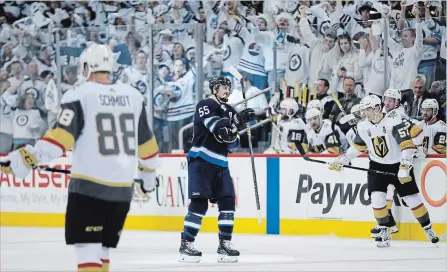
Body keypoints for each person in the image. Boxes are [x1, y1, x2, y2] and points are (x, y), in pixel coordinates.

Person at [0, 43, 160, 272]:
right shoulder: (133, 96)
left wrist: (22, 160)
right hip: (122, 191)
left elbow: (58, 142)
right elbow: (148, 148)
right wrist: (147, 180)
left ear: (87, 67)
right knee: (101, 253)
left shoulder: (80, 94)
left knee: (89, 255)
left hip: (89, 189)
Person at [328, 95, 439, 248]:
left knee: (411, 198)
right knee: (377, 199)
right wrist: (344, 159)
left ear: (376, 108)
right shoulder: (363, 126)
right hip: (376, 166)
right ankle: (385, 229)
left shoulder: (394, 122)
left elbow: (407, 145)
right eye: (363, 110)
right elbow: (359, 147)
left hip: (398, 164)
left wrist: (405, 166)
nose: (364, 113)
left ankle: (428, 229)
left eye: (367, 109)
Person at [179, 76, 255, 263]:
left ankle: (224, 245)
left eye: (228, 88)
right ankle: (186, 244)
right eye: (223, 88)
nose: (227, 91)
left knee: (228, 202)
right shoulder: (204, 104)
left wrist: (236, 125)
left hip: (221, 163)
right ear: (214, 89)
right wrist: (234, 123)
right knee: (199, 203)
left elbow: (233, 143)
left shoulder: (229, 110)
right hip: (201, 159)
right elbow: (214, 126)